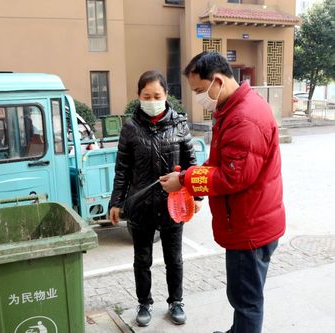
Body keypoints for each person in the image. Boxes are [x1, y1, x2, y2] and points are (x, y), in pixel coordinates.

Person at [160, 52, 286, 333]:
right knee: (244, 295)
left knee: (246, 300)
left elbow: (232, 177)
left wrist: (184, 180)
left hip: (249, 228)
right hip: (252, 221)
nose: (199, 97)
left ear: (216, 81)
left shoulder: (244, 119)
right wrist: (188, 178)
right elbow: (220, 164)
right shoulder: (235, 108)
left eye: (199, 90)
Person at [109, 70, 203, 327]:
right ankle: (144, 303)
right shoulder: (130, 128)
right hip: (140, 204)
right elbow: (122, 170)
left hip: (173, 204)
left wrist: (196, 197)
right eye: (146, 95)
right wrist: (116, 202)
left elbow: (190, 164)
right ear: (138, 96)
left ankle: (176, 301)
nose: (152, 100)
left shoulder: (179, 124)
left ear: (166, 95)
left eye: (157, 95)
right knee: (142, 259)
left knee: (174, 257)